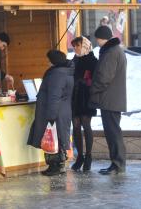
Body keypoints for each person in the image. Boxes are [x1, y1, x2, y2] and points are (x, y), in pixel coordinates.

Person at [27, 50, 74, 176]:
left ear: (54, 61)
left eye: (49, 60)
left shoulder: (56, 74)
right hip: (62, 110)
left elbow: (54, 96)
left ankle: (56, 166)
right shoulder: (67, 71)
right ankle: (58, 165)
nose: (48, 62)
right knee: (57, 138)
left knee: (52, 138)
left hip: (54, 111)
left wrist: (51, 116)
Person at [90, 26, 127, 175]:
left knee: (113, 133)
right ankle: (116, 164)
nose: (97, 42)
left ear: (101, 38)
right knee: (113, 132)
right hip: (112, 99)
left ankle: (118, 164)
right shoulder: (115, 50)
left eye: (97, 39)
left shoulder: (111, 52)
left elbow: (104, 77)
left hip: (110, 100)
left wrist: (92, 89)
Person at [70, 36, 98, 172]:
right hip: (74, 97)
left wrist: (85, 83)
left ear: (85, 46)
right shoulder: (74, 60)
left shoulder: (93, 60)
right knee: (75, 126)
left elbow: (96, 80)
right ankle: (79, 156)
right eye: (74, 46)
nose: (75, 48)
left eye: (78, 45)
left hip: (86, 97)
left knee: (86, 125)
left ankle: (88, 156)